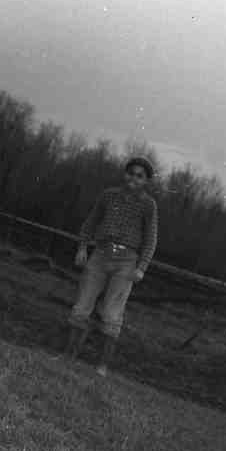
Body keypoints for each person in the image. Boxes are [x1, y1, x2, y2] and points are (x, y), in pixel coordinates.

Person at [64, 156, 159, 375]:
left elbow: (151, 239)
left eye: (139, 175)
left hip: (127, 262)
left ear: (146, 181)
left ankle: (102, 366)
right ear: (124, 174)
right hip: (100, 255)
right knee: (81, 306)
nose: (133, 178)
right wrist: (82, 248)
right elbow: (90, 222)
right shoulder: (108, 196)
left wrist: (141, 267)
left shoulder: (148, 205)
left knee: (111, 313)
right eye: (130, 173)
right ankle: (69, 356)